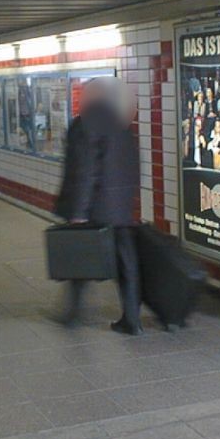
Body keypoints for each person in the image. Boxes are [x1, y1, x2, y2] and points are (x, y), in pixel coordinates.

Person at [55, 78, 142, 336]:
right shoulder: (122, 125)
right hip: (121, 210)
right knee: (127, 266)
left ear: (92, 97)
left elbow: (85, 171)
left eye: (84, 94)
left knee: (80, 259)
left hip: (94, 208)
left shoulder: (84, 125)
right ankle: (132, 319)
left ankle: (73, 314)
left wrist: (79, 212)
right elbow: (133, 168)